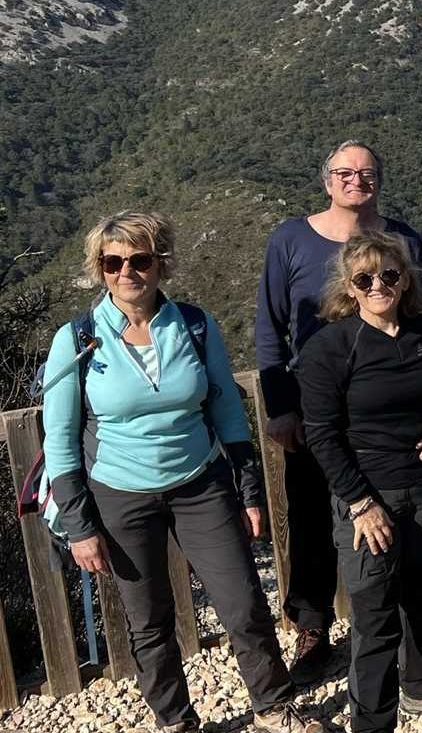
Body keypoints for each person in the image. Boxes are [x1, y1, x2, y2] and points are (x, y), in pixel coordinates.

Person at [40, 211, 327, 733]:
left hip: (201, 485)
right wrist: (81, 528)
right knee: (149, 622)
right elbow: (59, 441)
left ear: (160, 265)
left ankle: (272, 707)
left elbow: (226, 413)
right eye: (113, 262)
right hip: (119, 494)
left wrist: (248, 493)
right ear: (99, 269)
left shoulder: (194, 324)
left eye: (140, 259)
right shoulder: (78, 339)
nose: (128, 272)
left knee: (243, 604)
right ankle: (175, 721)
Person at [298, 233, 422, 733]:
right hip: (368, 495)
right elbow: (322, 434)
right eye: (365, 278)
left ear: (405, 280)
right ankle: (372, 722)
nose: (378, 285)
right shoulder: (331, 347)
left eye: (389, 274)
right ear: (350, 287)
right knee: (375, 615)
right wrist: (361, 503)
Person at [254, 139, 422, 683]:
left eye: (367, 171)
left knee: (397, 508)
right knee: (309, 515)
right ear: (327, 180)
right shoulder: (291, 238)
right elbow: (269, 327)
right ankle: (312, 626)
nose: (357, 179)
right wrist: (281, 407)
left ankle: (398, 620)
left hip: (387, 411)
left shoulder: (404, 240)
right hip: (314, 409)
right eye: (345, 172)